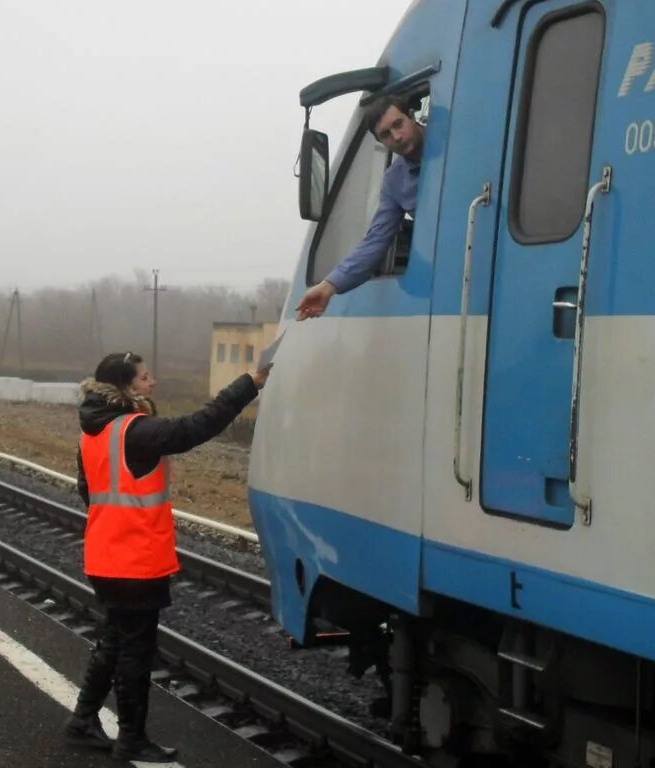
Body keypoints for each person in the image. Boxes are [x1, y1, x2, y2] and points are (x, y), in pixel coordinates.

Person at [63, 351, 270, 763]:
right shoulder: (134, 431)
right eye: (144, 378)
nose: (152, 382)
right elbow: (196, 427)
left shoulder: (93, 431)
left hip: (105, 554)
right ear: (125, 388)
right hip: (135, 559)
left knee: (115, 638)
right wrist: (249, 382)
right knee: (135, 651)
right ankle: (131, 740)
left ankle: (83, 720)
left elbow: (88, 492)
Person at [296, 95, 425, 320]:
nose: (397, 136)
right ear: (380, 142)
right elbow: (375, 241)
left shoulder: (455, 135)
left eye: (398, 124)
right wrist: (329, 286)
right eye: (385, 134)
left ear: (411, 116)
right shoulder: (394, 181)